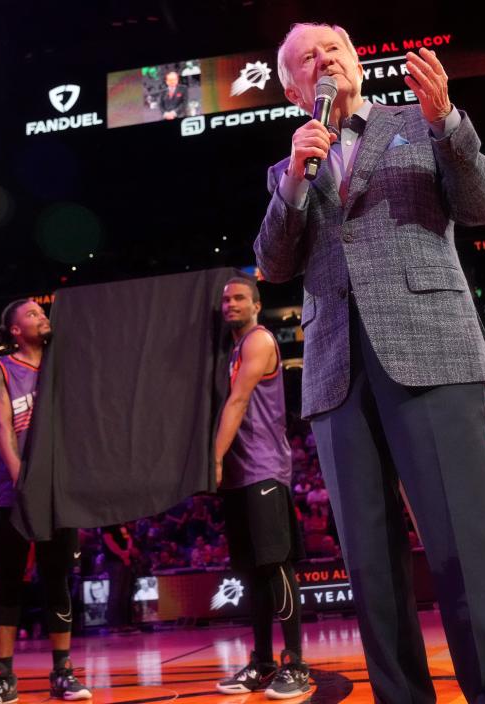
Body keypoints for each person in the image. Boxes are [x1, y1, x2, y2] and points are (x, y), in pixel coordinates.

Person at [255, 22, 485, 703]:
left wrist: (450, 123)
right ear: (291, 90)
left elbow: (483, 204)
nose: (323, 62)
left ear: (357, 61)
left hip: (431, 345)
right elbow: (273, 264)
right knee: (370, 566)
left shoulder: (420, 123)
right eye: (306, 59)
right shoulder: (289, 166)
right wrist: (292, 182)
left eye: (332, 49)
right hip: (335, 371)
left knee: (464, 543)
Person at [0, 299, 90, 704]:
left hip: (58, 496)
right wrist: (22, 480)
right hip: (12, 495)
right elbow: (1, 425)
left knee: (57, 580)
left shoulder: (63, 368)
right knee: (9, 583)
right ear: (15, 331)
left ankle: (63, 672)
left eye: (43, 314)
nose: (42, 317)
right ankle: (3, 676)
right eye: (32, 315)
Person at [212, 277, 308, 699]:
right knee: (251, 571)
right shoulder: (230, 350)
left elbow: (237, 401)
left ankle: (296, 664)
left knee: (275, 566)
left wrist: (211, 458)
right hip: (238, 474)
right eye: (226, 299)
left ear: (256, 304)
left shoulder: (258, 340)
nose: (230, 304)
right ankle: (264, 661)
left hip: (264, 470)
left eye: (239, 298)